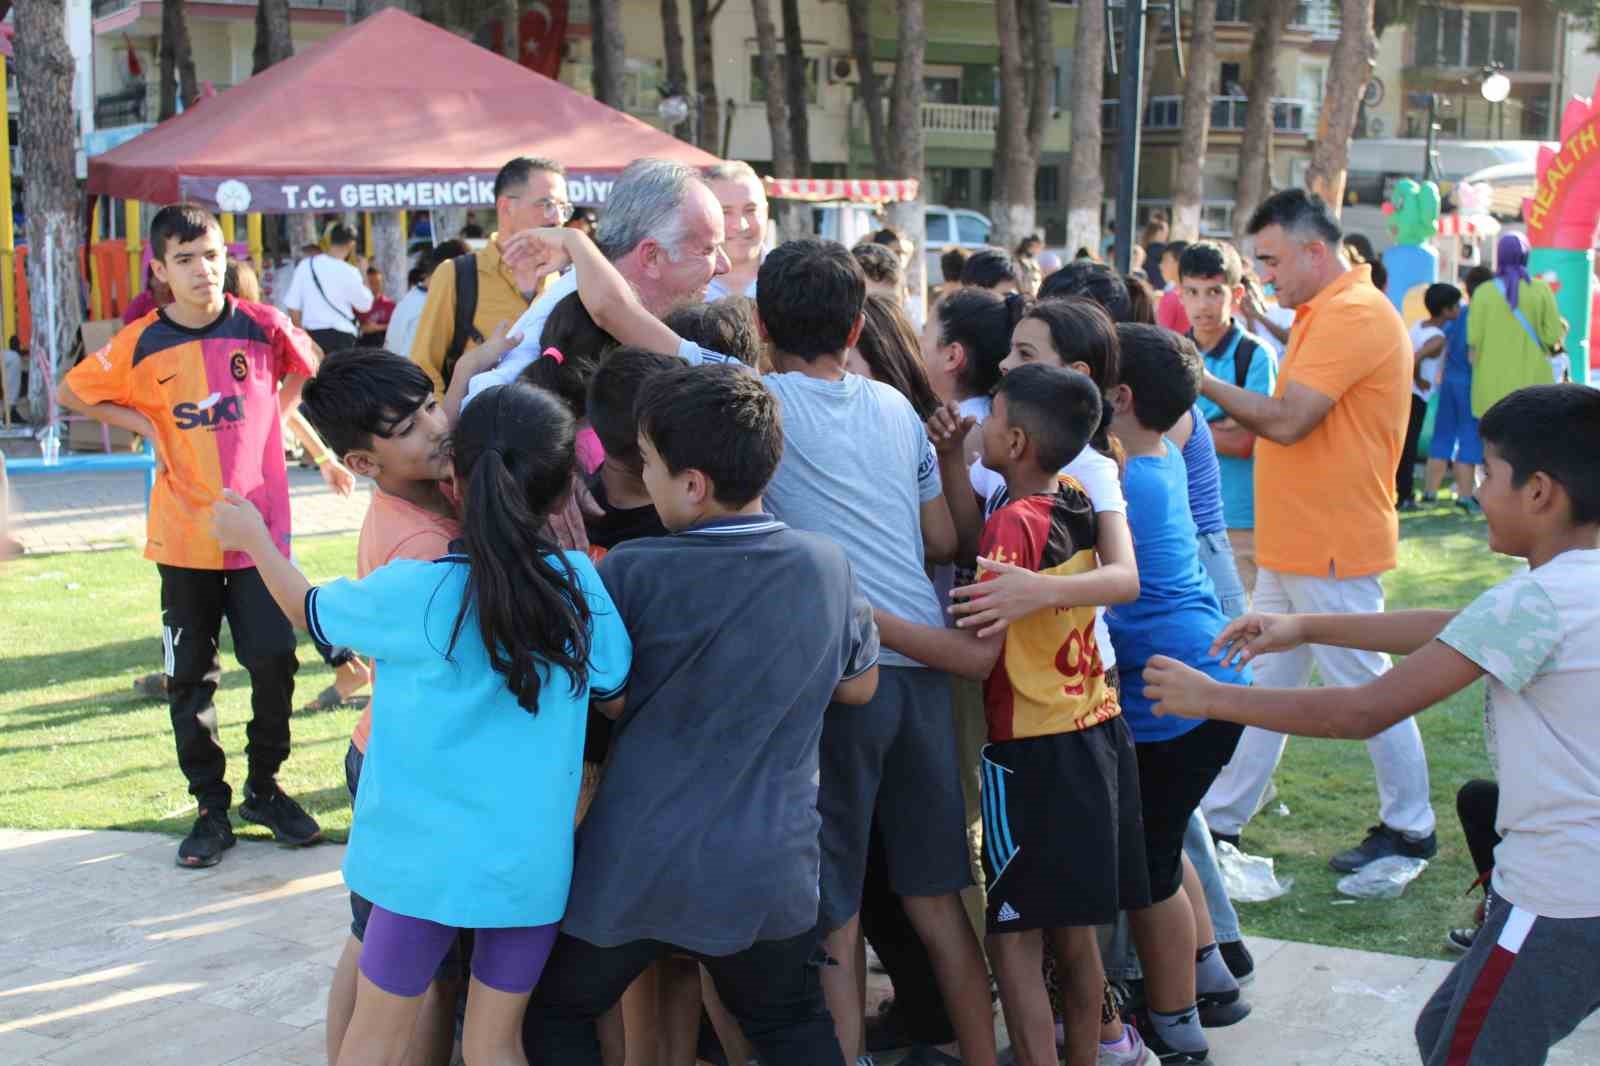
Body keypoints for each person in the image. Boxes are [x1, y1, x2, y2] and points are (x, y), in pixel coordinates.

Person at [1144, 382, 1600, 1066]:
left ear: (1540, 491)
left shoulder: (1535, 602)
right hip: (1571, 891)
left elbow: (1363, 711)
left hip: (1561, 895)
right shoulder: (1565, 592)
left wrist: (1212, 698)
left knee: (1465, 1054)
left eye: (1487, 473)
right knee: (1440, 1033)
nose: (1475, 490)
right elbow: (1458, 627)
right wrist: (1304, 625)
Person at [213, 380, 630, 1066]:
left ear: (457, 480)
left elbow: (308, 610)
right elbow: (613, 689)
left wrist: (255, 540)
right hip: (526, 866)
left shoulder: (416, 589)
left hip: (417, 863)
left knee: (373, 1041)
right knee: (497, 1044)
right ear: (563, 491)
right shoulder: (580, 585)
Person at [523, 364, 880, 1066]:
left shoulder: (628, 571)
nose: (644, 478)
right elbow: (858, 689)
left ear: (692, 484)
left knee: (555, 1012)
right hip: (767, 867)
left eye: (649, 464)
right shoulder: (826, 566)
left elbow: (604, 695)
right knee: (791, 1024)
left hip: (634, 865)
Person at [874, 364, 1153, 1066]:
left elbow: (974, 661)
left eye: (993, 417)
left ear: (1019, 439)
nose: (982, 426)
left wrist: (871, 619)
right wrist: (947, 457)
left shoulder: (1010, 524)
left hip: (1031, 754)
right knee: (1074, 936)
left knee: (1014, 939)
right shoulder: (1077, 496)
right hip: (1094, 732)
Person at [57, 203, 323, 868]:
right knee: (190, 678)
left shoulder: (261, 324)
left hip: (259, 538)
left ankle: (264, 789)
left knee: (273, 660)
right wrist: (147, 425)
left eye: (211, 255)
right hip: (184, 541)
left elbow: (307, 363)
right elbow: (72, 392)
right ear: (160, 271)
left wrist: (278, 419)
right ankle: (210, 807)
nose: (203, 270)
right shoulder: (142, 341)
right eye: (185, 259)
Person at [1195, 188, 1437, 871]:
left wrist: (1200, 381)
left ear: (1314, 251)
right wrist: (1265, 324)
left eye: (1269, 260)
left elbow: (1286, 419)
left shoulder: (1350, 313)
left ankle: (1411, 826)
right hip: (1298, 542)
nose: (1262, 275)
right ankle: (1220, 818)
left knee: (1367, 687)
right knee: (1264, 681)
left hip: (1328, 543)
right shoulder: (1325, 308)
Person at [296, 349, 463, 1066]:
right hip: (398, 762)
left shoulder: (431, 490)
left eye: (431, 404)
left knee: (397, 942)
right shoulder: (421, 543)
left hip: (410, 752)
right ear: (364, 463)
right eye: (410, 425)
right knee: (380, 943)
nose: (435, 425)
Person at [1103, 324, 1249, 1065]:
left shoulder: (1125, 480)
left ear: (1118, 397)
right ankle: (1204, 975)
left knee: (1148, 871)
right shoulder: (1155, 461)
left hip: (1180, 695)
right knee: (1166, 838)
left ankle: (1173, 1021)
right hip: (1206, 685)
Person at [471, 158, 732, 400]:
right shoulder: (566, 313)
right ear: (651, 256)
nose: (725, 265)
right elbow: (484, 405)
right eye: (707, 250)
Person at [410, 157, 573, 395]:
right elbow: (423, 367)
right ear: (506, 206)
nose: (558, 218)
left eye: (563, 207)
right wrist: (447, 425)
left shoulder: (566, 278)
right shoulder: (457, 275)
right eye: (547, 204)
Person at [1181, 241, 1278, 596]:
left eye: (1214, 292)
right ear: (1180, 294)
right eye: (1193, 292)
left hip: (1240, 518)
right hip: (1183, 516)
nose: (1202, 304)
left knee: (1239, 634)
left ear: (1236, 294)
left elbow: (1244, 442)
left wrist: (1184, 429)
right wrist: (1218, 422)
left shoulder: (1254, 356)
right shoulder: (1172, 352)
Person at [1469, 232, 1565, 417]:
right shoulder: (1541, 289)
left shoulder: (1483, 293)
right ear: (1526, 255)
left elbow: (1474, 338)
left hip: (1491, 387)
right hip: (1533, 385)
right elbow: (1553, 334)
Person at [1425, 265, 1493, 511]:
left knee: (1441, 436)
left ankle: (1430, 492)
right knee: (1469, 438)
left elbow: (1443, 337)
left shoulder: (1459, 313)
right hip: (1470, 383)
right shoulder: (1483, 315)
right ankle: (1465, 496)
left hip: (1448, 382)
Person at [1399, 284, 1462, 510]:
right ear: (1446, 310)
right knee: (1409, 445)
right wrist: (1418, 380)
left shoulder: (1418, 326)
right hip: (1416, 395)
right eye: (1456, 306)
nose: (1459, 309)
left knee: (1403, 443)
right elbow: (1413, 358)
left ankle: (1401, 492)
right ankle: (1404, 494)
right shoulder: (1438, 337)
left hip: (1405, 392)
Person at [283, 223, 374, 354]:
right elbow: (365, 305)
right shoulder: (350, 271)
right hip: (343, 337)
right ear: (351, 245)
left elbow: (293, 306)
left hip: (312, 336)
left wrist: (301, 337)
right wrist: (364, 272)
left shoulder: (306, 265)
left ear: (330, 241)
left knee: (317, 374)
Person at [705, 160, 768, 301]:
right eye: (725, 212)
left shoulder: (795, 279)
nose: (741, 225)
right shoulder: (683, 285)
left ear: (766, 211)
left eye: (750, 210)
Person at [1154, 240, 1190, 333]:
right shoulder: (1196, 294)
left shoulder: (1171, 298)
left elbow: (1161, 338)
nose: (1161, 266)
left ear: (1179, 263)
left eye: (1165, 260)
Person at [358, 267, 397, 347]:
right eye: (371, 283)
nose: (376, 286)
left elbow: (396, 327)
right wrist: (363, 328)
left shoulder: (390, 305)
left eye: (378, 282)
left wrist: (377, 328)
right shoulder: (357, 305)